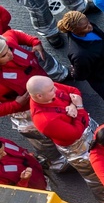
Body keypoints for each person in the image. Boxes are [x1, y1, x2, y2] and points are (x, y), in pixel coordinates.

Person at [26, 75, 104, 203]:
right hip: (78, 148)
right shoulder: (45, 120)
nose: (56, 89)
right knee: (96, 175)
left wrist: (73, 106)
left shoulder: (48, 88)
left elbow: (73, 91)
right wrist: (78, 107)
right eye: (51, 90)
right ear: (39, 96)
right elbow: (75, 134)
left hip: (88, 128)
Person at [0, 33, 69, 172]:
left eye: (8, 49)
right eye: (4, 55)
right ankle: (58, 163)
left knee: (62, 120)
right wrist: (16, 105)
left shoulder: (7, 43)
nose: (10, 54)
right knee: (41, 138)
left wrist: (34, 41)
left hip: (45, 92)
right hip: (25, 111)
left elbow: (13, 34)